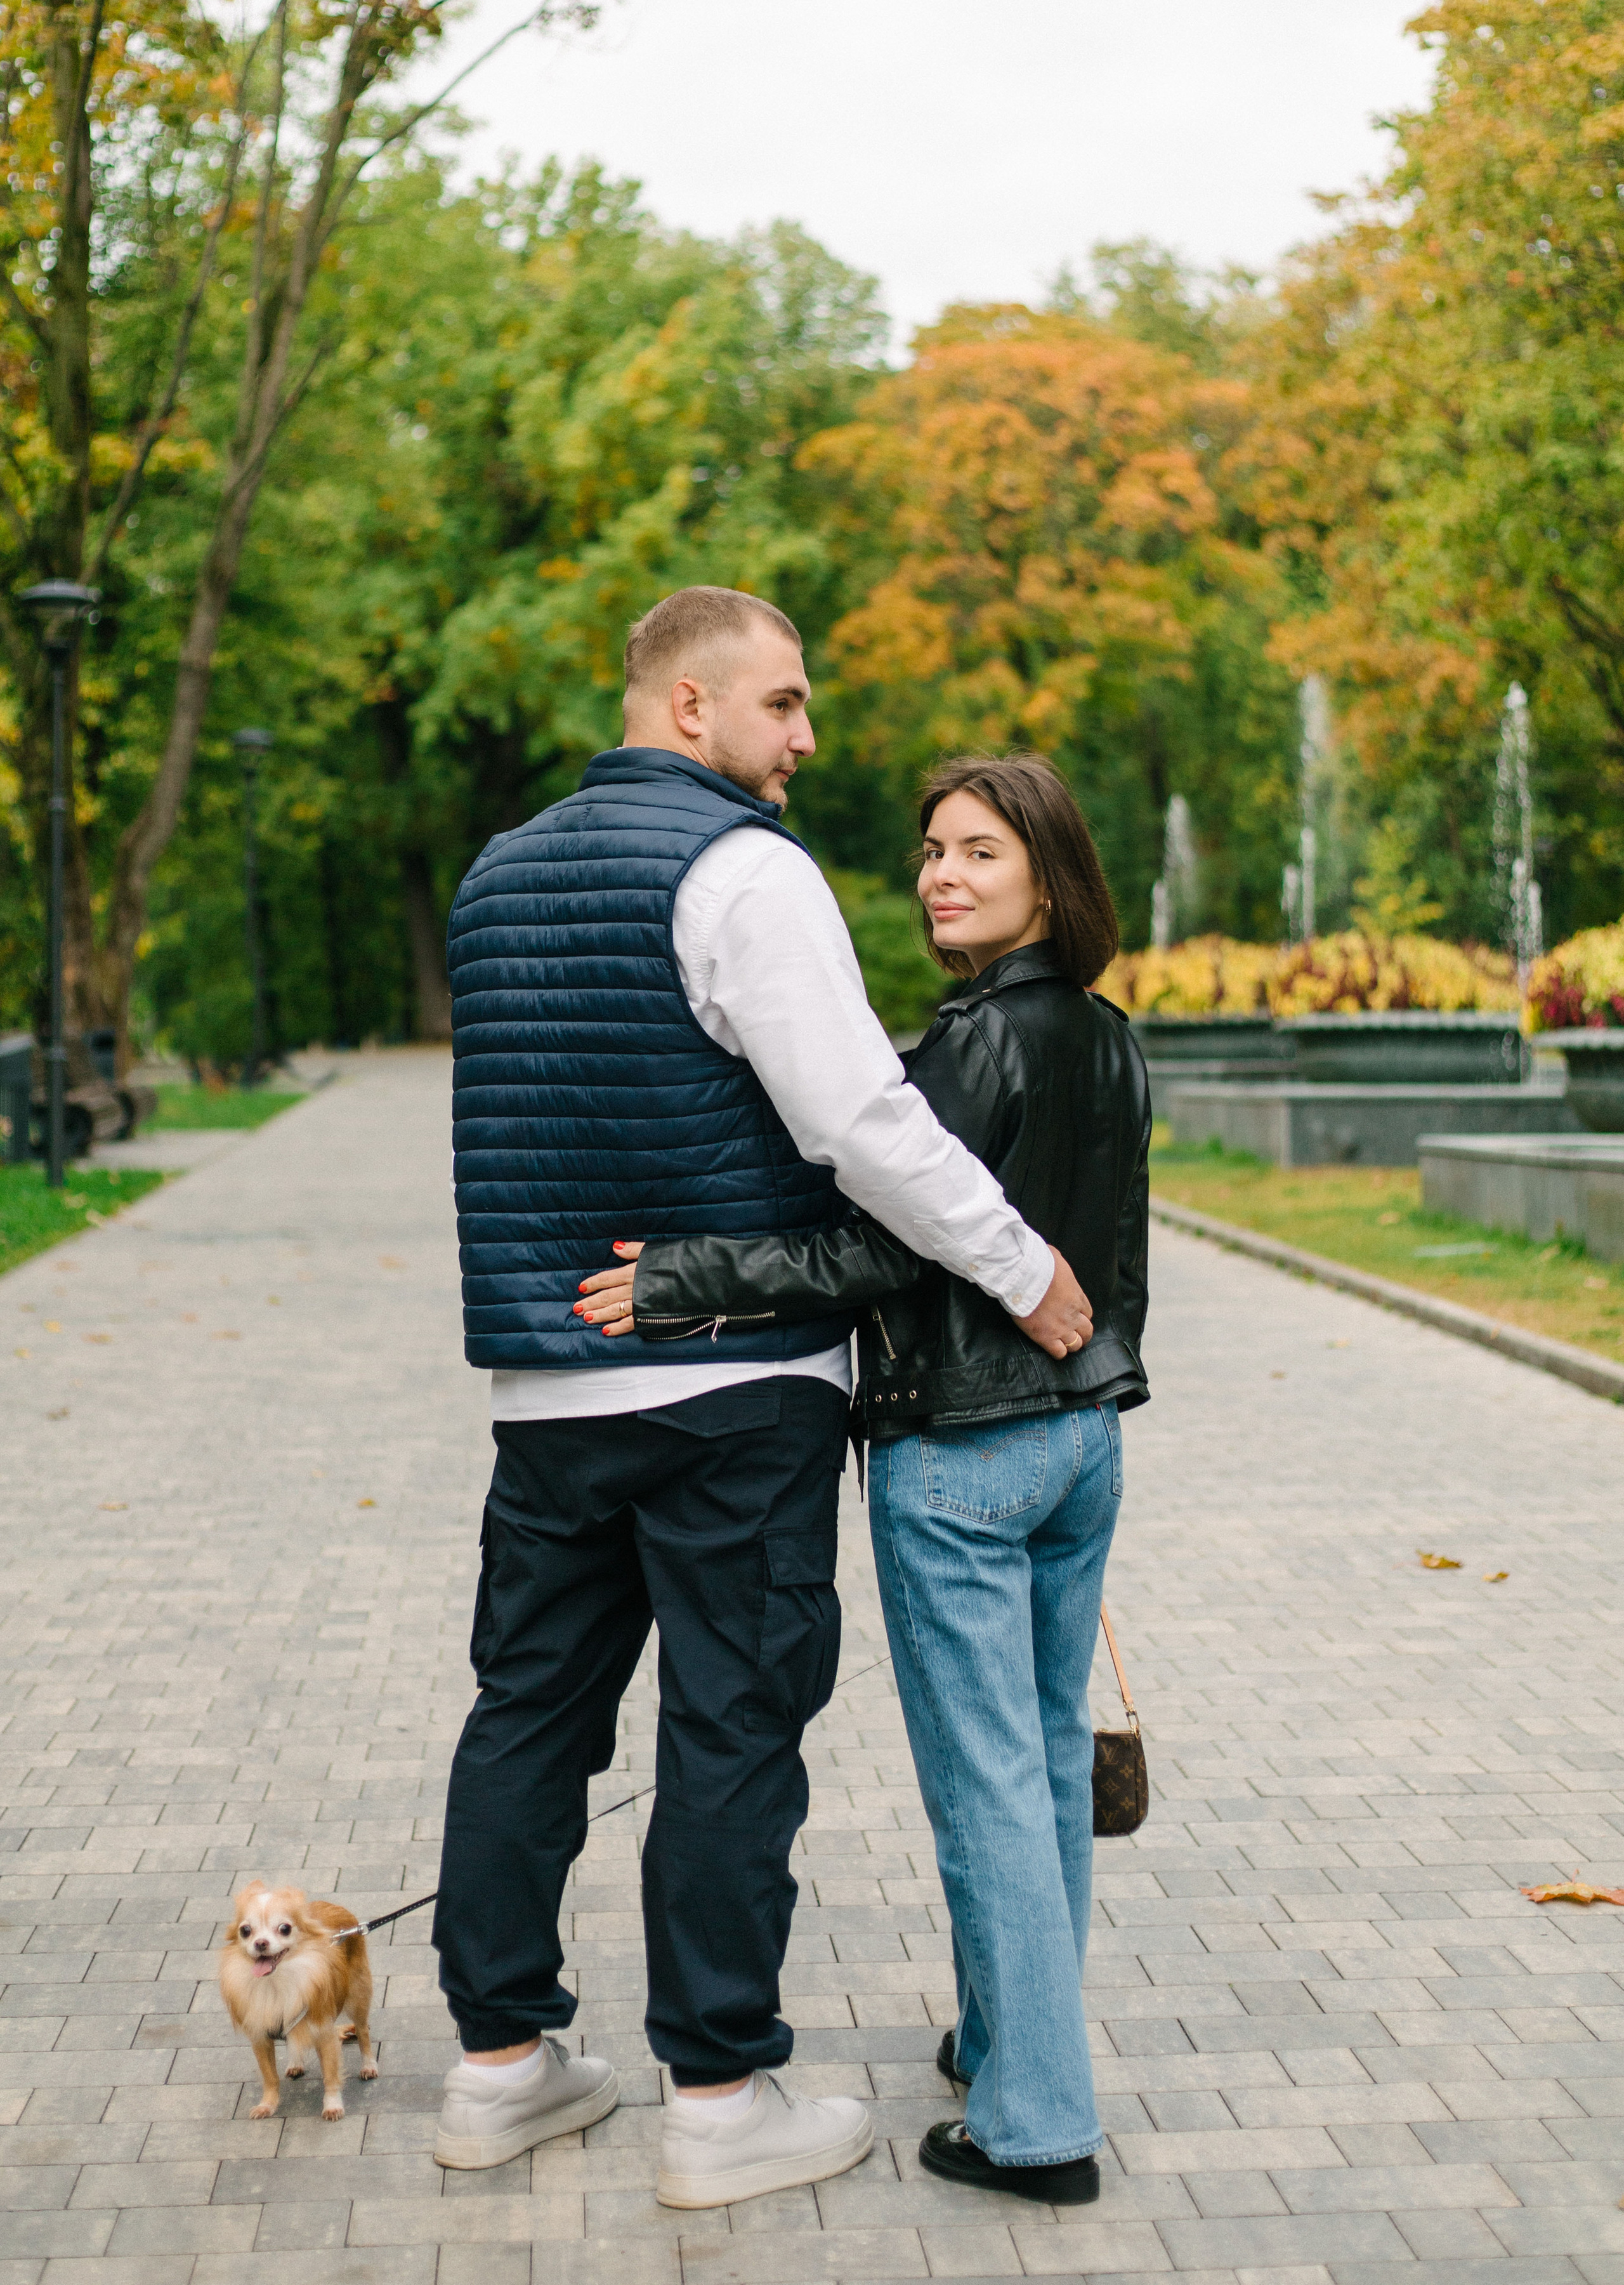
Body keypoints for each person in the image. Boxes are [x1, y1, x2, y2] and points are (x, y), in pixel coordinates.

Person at [432, 590, 1096, 2206]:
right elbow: (859, 1118)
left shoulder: (493, 873)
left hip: (544, 1388)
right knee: (732, 1727)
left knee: (526, 1711)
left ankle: (498, 2068)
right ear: (688, 706)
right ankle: (720, 2099)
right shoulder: (742, 868)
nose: (804, 739)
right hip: (734, 1390)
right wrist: (1018, 1264)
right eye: (783, 705)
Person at [577, 751, 1151, 2208]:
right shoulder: (1105, 1035)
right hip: (1081, 1443)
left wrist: (683, 1279)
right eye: (930, 850)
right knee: (1035, 1763)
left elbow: (874, 1252)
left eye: (979, 852)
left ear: (1046, 877)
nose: (942, 874)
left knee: (991, 1794)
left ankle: (1033, 2126)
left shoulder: (970, 1046)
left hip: (961, 1453)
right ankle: (1005, 2038)